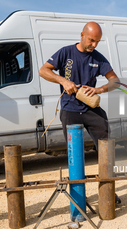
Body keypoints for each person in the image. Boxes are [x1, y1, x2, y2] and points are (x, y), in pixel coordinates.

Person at [39, 21, 121, 203]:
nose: (94, 45)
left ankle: (108, 191)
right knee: (75, 155)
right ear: (82, 35)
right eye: (91, 40)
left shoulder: (98, 58)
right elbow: (43, 70)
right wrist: (63, 81)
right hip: (70, 110)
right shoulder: (65, 52)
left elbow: (115, 82)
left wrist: (98, 90)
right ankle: (78, 197)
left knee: (106, 150)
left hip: (91, 109)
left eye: (97, 41)